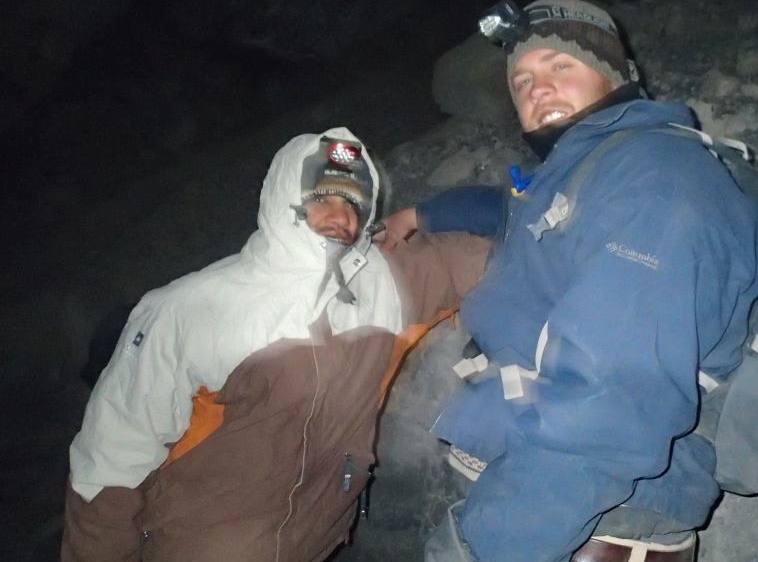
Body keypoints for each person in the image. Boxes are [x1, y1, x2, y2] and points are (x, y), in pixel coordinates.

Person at [379, 0, 758, 562]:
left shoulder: (656, 184)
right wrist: (420, 215)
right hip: (542, 489)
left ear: (616, 74)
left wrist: (477, 549)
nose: (537, 89)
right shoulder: (592, 166)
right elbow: (516, 209)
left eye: (560, 66)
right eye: (521, 80)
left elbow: (605, 411)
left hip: (590, 523)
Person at [61, 127, 490, 562]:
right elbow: (110, 466)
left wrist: (427, 216)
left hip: (314, 543)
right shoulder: (187, 311)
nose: (341, 216)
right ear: (285, 195)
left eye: (354, 203)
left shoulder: (384, 285)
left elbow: (485, 255)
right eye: (322, 197)